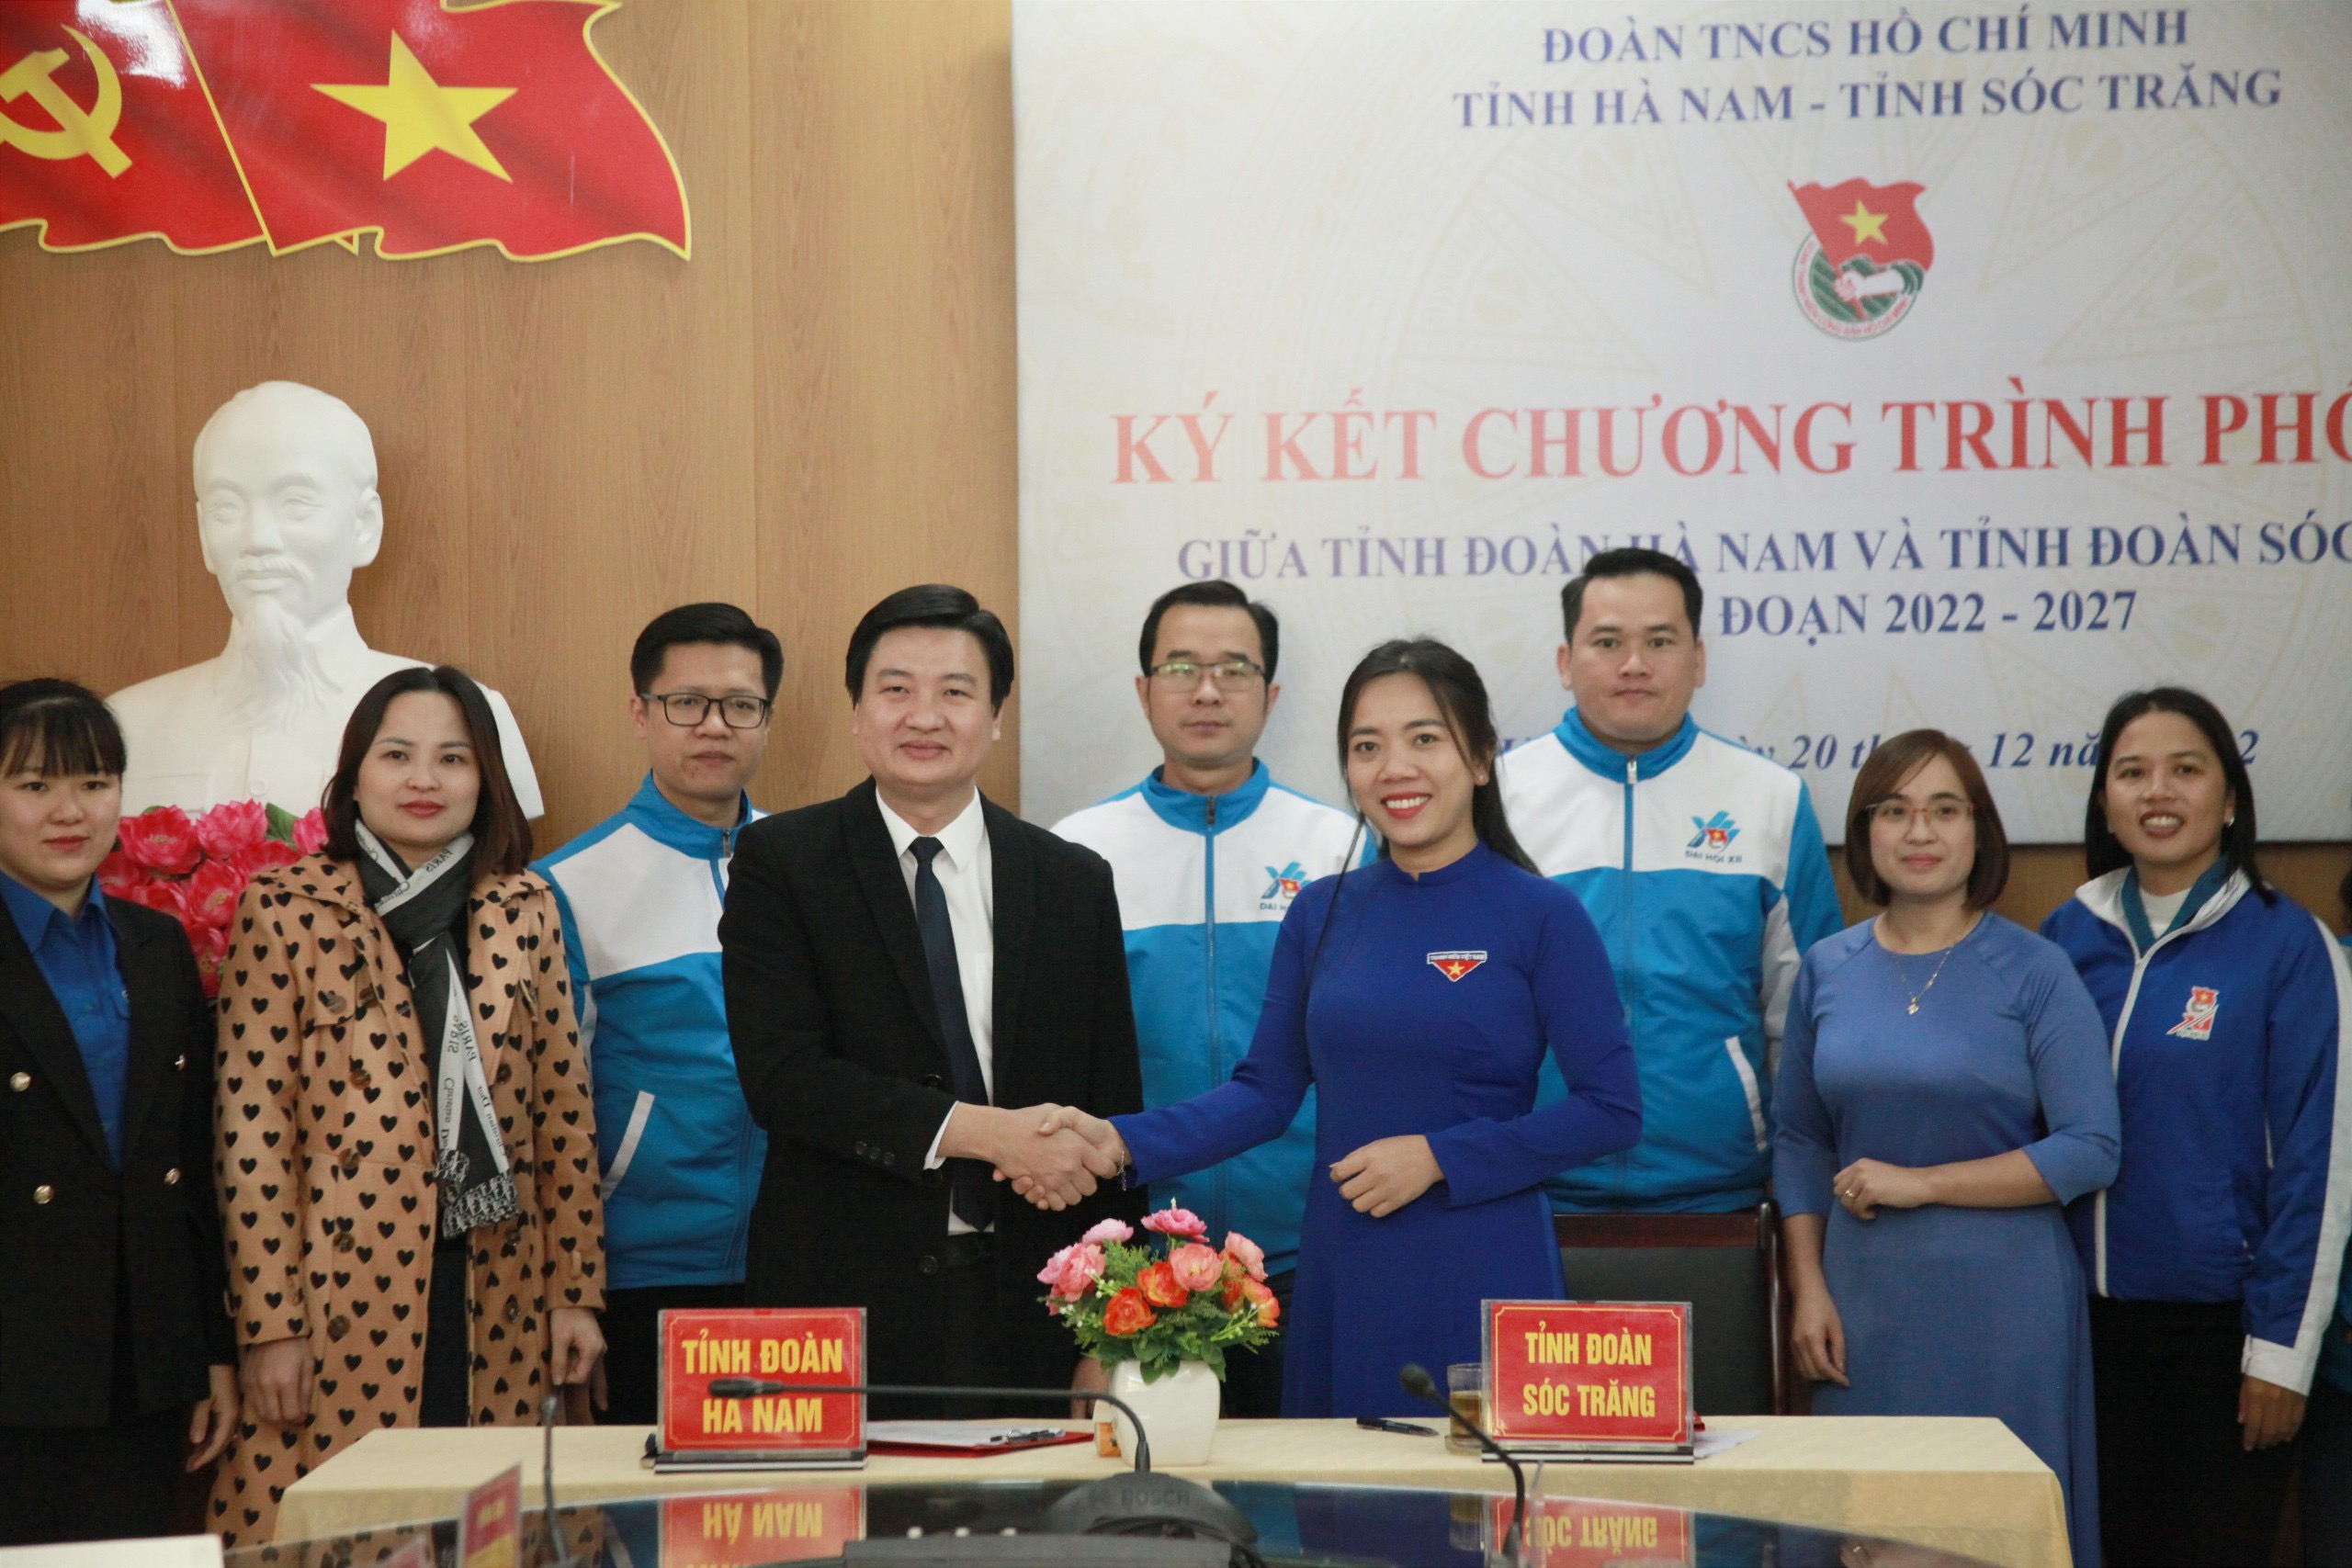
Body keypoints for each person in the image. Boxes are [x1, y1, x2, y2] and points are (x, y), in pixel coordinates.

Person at [1045, 638, 1642, 1416]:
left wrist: (1440, 1157)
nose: (1395, 767)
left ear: (1480, 758)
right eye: (1367, 746)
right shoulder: (1321, 911)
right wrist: (1118, 1141)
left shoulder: (1542, 913)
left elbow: (1611, 1109)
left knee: (1479, 1487)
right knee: (1336, 1484)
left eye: (1424, 738)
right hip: (1347, 1259)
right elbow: (1265, 1093)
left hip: (1483, 1256)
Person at [720, 584, 1146, 1412]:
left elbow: (1111, 1109)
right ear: (856, 711)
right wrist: (992, 1135)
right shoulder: (783, 862)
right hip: (843, 1302)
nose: (924, 715)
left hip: (1036, 1303)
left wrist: (1109, 1330)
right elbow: (784, 1077)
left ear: (995, 716)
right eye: (896, 688)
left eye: (955, 691)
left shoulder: (1072, 880)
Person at [209, 667, 605, 1546]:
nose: (424, 779)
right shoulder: (286, 907)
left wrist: (576, 1294)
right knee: (344, 1531)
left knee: (488, 1532)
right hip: (337, 1293)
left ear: (485, 780)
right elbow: (251, 1131)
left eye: (452, 758)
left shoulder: (525, 907)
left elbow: (564, 1114)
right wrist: (270, 1325)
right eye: (397, 755)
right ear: (355, 776)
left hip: (499, 1288)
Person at [1775, 730, 2119, 1568]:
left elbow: (2090, 1147)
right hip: (1860, 1306)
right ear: (1865, 832)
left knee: (1991, 1533)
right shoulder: (1826, 967)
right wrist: (1807, 1285)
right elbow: (1799, 1138)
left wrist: (1922, 1183)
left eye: (1944, 809)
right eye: (1894, 811)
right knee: (1864, 1525)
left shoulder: (2036, 969)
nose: (1920, 831)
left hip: (2006, 1306)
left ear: (1978, 828)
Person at [2041, 687, 2350, 1568]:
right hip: (2082, 1333)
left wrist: (2281, 1355)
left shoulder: (2289, 945)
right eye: (2131, 772)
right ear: (2105, 800)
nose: (2158, 792)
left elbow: (2321, 1163)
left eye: (2185, 768)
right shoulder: (2063, 938)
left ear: (2231, 797)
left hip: (2224, 1338)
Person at [1050, 581, 1364, 1416]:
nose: (1207, 690)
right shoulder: (1074, 853)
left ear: (1272, 694)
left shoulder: (1341, 848)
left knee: (1319, 1485)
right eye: (1181, 667)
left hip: (1309, 1251)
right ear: (1143, 689)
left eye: (1234, 668)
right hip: (1133, 1266)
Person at [1497, 547, 1840, 1215]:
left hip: (1719, 1196)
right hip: (1527, 1191)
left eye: (1659, 641)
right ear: (1565, 662)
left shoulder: (1769, 799)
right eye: (1607, 642)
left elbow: (1806, 1022)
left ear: (1698, 659)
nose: (1634, 663)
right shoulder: (1497, 798)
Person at [0, 681, 238, 1546]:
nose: (70, 811)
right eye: (35, 785)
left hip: (145, 1362)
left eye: (95, 783)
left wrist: (210, 1349)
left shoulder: (156, 944)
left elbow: (192, 1166)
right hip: (18, 1361)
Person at [536, 604, 779, 1425]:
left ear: (766, 718)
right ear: (640, 713)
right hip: (642, 1270)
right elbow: (550, 1110)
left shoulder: (812, 865)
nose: (714, 725)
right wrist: (572, 1289)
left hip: (796, 1263)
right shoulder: (569, 883)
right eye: (686, 702)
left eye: (740, 704)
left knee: (797, 1496)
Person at [109, 380, 541, 817]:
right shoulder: (128, 726)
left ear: (364, 527)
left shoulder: (466, 719)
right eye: (227, 508)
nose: (258, 539)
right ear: (205, 535)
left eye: (295, 503)